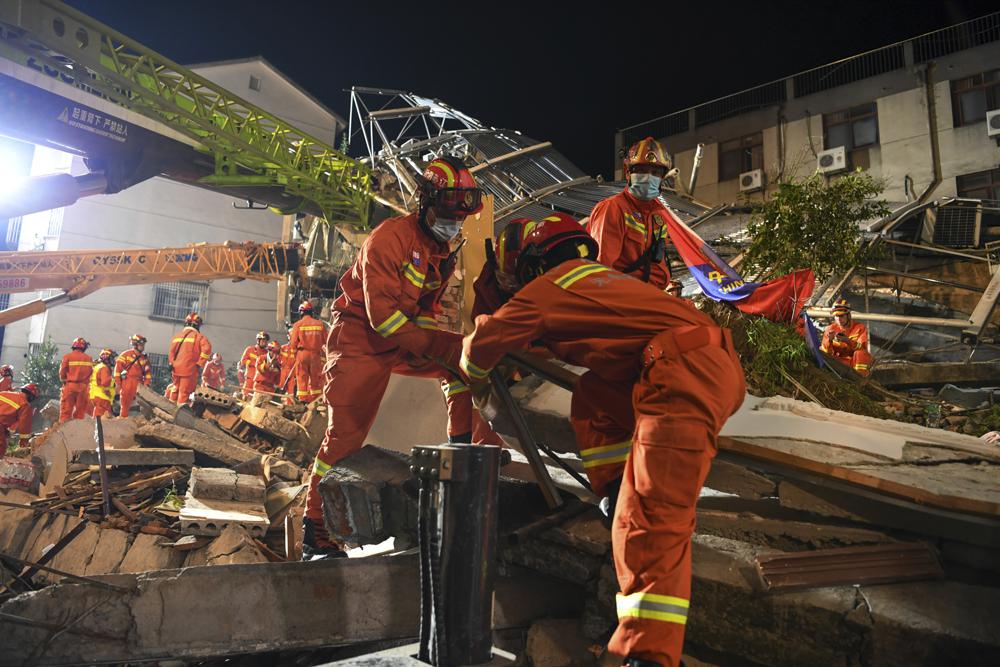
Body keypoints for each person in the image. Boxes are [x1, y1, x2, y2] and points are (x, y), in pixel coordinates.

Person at [455, 215, 745, 667]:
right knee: (594, 397)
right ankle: (612, 487)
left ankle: (646, 653)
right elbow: (570, 338)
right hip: (695, 363)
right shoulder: (598, 281)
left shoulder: (550, 286)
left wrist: (470, 379)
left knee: (649, 518)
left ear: (534, 265)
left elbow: (485, 343)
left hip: (682, 376)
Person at [301, 155, 495, 559]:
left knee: (463, 363)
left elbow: (424, 311)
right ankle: (315, 528)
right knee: (346, 437)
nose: (455, 222)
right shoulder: (389, 239)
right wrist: (432, 344)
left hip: (401, 336)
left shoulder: (442, 248)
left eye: (462, 215)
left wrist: (445, 346)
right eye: (448, 212)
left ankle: (462, 460)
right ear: (426, 202)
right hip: (361, 340)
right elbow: (383, 318)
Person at [588, 137, 678, 289]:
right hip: (623, 298)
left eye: (655, 172)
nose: (649, 176)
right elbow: (599, 269)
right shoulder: (613, 208)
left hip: (651, 296)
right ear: (628, 173)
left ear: (662, 178)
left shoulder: (658, 216)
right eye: (642, 170)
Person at [168, 313, 212, 404]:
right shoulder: (199, 337)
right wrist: (200, 363)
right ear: (197, 325)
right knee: (185, 392)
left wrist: (172, 363)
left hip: (175, 369)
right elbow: (207, 349)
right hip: (189, 370)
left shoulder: (177, 336)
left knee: (175, 389)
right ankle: (180, 413)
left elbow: (171, 353)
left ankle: (170, 408)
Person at [820, 299, 872, 376]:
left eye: (841, 316)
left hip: (853, 363)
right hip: (837, 363)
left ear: (848, 315)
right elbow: (826, 353)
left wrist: (848, 341)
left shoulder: (859, 328)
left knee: (861, 354)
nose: (838, 319)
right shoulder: (830, 329)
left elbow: (862, 348)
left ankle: (860, 378)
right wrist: (829, 341)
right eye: (836, 316)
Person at [289, 303, 327, 404]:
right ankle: (316, 400)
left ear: (301, 313)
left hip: (302, 355)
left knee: (302, 377)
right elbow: (326, 341)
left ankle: (303, 401)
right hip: (315, 355)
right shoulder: (320, 324)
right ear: (311, 312)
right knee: (316, 378)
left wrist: (294, 357)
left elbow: (293, 344)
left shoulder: (297, 325)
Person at [115, 334, 151, 418]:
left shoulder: (144, 358)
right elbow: (117, 370)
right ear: (135, 345)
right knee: (125, 404)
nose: (143, 347)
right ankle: (123, 420)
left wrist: (146, 384)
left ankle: (135, 423)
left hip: (139, 383)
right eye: (141, 345)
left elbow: (148, 373)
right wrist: (118, 383)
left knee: (139, 405)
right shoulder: (126, 355)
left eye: (143, 345)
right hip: (127, 382)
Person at [59, 337, 93, 422]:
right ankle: (77, 431)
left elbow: (62, 371)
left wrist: (64, 380)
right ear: (84, 347)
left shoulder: (67, 357)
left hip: (70, 386)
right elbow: (90, 373)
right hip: (83, 388)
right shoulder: (88, 358)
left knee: (66, 411)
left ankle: (63, 431)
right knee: (80, 412)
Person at [0, 383, 38, 456]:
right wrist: (24, 443)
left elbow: (3, 413)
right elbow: (25, 427)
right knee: (1, 447)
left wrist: (5, 431)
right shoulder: (25, 404)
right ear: (31, 397)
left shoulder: (4, 393)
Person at [239, 332, 269, 399]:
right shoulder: (250, 349)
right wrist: (255, 363)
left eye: (266, 340)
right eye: (263, 340)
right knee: (245, 396)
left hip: (260, 381)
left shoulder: (267, 354)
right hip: (250, 378)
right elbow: (243, 361)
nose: (265, 342)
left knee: (256, 399)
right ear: (258, 340)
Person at [89, 349, 117, 418]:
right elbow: (105, 382)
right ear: (107, 358)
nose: (113, 360)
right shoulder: (104, 368)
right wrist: (109, 391)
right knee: (102, 417)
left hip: (96, 395)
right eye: (112, 358)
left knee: (98, 414)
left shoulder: (98, 366)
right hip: (102, 396)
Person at [278, 325, 297, 404]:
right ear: (288, 336)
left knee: (291, 391)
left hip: (292, 373)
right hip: (282, 371)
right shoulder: (283, 348)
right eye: (291, 336)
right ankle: (277, 402)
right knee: (279, 388)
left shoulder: (297, 350)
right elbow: (278, 360)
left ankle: (289, 406)